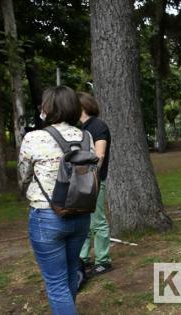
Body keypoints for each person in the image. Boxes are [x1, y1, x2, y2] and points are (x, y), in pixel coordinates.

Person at [18, 86, 94, 314]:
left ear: (48, 108)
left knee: (56, 283)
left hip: (47, 216)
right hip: (80, 214)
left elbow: (24, 176)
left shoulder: (34, 137)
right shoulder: (86, 136)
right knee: (71, 272)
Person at [77, 92, 113, 277]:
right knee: (84, 221)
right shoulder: (81, 128)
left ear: (81, 106)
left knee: (97, 221)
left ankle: (103, 261)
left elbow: (99, 156)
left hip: (94, 180)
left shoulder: (98, 126)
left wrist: (90, 177)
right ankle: (83, 258)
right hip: (82, 181)